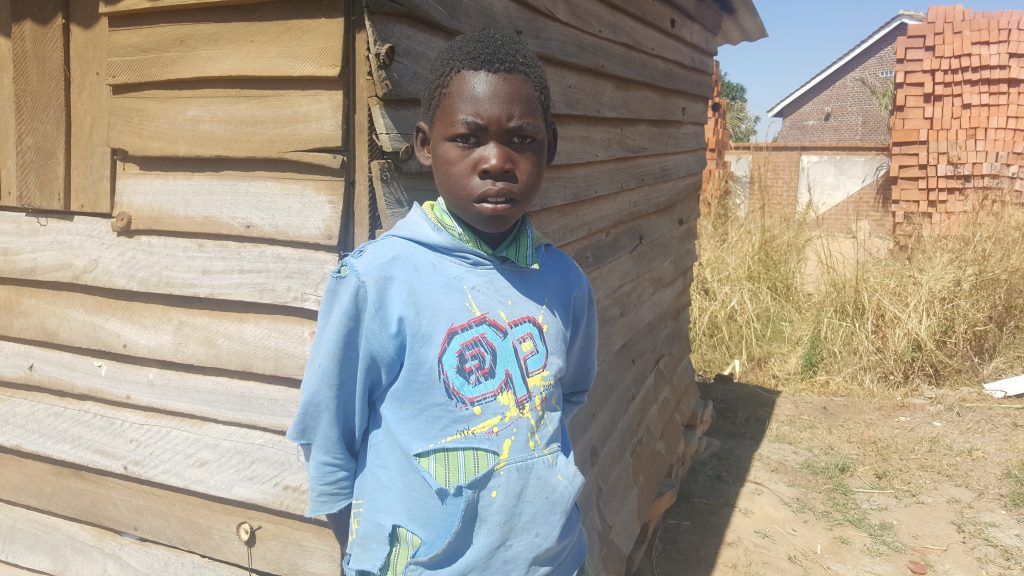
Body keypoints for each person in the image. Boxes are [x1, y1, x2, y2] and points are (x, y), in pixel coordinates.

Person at [287, 28, 598, 576]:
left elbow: (564, 397)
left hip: (553, 562)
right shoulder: (377, 281)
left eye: (521, 139)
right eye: (468, 138)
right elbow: (330, 440)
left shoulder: (563, 283)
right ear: (426, 144)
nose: (496, 161)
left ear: (550, 145)